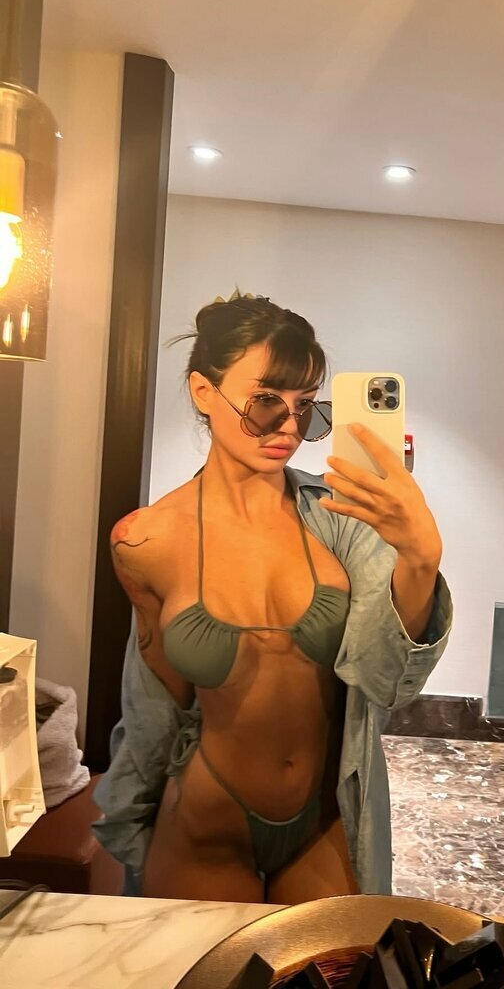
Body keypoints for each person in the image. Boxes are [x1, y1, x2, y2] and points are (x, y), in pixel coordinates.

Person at [92, 294, 452, 903]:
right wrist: (130, 827)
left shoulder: (341, 520)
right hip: (206, 820)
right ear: (204, 392)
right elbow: (155, 706)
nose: (289, 427)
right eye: (266, 403)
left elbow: (387, 681)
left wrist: (420, 557)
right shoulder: (147, 541)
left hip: (324, 822)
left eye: (306, 407)